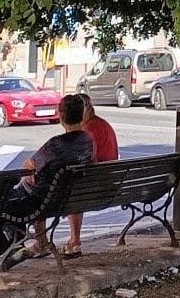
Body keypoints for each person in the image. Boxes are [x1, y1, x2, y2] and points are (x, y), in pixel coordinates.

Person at [0, 94, 94, 268]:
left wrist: (34, 173)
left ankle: (5, 252)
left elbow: (29, 165)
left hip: (38, 202)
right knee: (10, 202)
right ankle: (17, 244)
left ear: (61, 116)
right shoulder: (87, 140)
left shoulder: (55, 144)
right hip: (63, 200)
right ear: (82, 114)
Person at [64, 98, 119, 257]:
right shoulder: (102, 124)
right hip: (113, 182)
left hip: (99, 185)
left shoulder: (89, 130)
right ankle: (73, 240)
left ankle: (75, 240)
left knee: (72, 192)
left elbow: (85, 160)